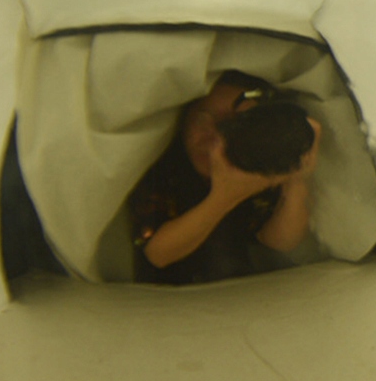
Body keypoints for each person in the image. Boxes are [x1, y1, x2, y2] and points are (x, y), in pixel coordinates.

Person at [129, 72, 321, 285]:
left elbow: (281, 242)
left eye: (234, 124)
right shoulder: (162, 166)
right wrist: (226, 196)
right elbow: (157, 254)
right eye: (202, 121)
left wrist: (296, 176)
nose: (215, 137)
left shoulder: (257, 161)